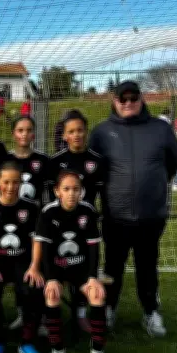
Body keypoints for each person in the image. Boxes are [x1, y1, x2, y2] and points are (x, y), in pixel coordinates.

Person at [88, 80, 177, 337]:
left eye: (133, 98)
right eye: (123, 99)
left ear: (141, 99)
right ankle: (108, 308)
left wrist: (151, 187)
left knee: (147, 266)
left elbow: (173, 163)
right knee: (112, 267)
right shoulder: (102, 132)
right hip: (115, 216)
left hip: (151, 217)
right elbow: (93, 170)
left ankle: (151, 312)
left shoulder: (160, 128)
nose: (128, 103)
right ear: (114, 101)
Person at [34, 170, 112, 353]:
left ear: (81, 191)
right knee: (52, 295)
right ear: (57, 191)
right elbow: (45, 250)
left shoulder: (88, 210)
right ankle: (58, 352)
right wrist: (51, 279)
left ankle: (97, 352)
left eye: (76, 189)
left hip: (81, 270)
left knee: (98, 295)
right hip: (56, 270)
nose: (71, 193)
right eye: (66, 189)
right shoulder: (48, 212)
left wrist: (92, 278)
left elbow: (93, 247)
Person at [0, 162, 46, 353]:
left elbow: (36, 242)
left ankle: (27, 342)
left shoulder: (31, 207)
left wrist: (34, 266)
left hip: (22, 260)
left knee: (34, 286)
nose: (11, 187)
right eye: (6, 182)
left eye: (15, 182)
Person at [48, 109, 106, 333]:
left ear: (86, 132)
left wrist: (99, 217)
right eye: (71, 131)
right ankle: (50, 314)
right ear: (64, 135)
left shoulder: (97, 161)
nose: (76, 135)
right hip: (59, 226)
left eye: (80, 130)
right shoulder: (56, 162)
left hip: (85, 226)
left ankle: (81, 314)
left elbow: (102, 196)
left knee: (82, 267)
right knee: (58, 266)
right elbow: (50, 198)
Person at [4, 117, 49, 332]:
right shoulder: (5, 160)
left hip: (35, 224)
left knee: (37, 267)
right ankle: (22, 314)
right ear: (14, 133)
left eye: (29, 130)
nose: (24, 134)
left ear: (34, 134)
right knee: (18, 268)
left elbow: (48, 194)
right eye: (20, 130)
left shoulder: (43, 160)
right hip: (12, 224)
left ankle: (41, 317)